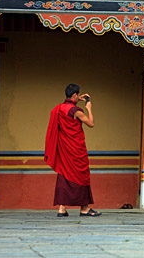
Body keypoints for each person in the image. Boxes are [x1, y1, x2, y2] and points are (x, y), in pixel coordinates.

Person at [44, 84, 100, 217]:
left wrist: (75, 99)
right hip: (76, 149)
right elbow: (91, 123)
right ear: (75, 95)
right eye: (78, 95)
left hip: (64, 149)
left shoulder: (58, 109)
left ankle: (61, 209)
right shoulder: (76, 111)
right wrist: (89, 108)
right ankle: (84, 208)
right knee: (82, 175)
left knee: (64, 175)